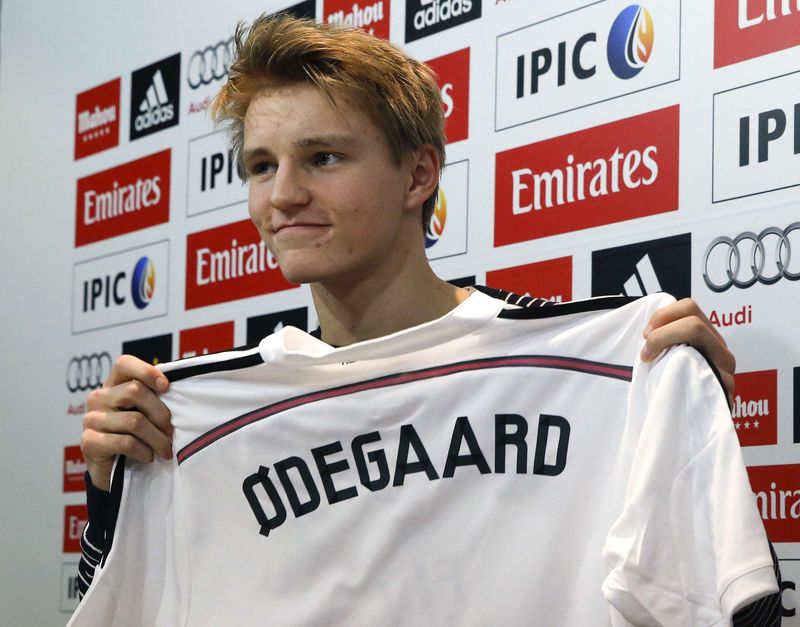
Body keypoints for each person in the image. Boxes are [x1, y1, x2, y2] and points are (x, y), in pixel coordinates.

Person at [76, 14, 780, 625]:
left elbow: (735, 602)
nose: (283, 195)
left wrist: (677, 398)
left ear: (418, 177)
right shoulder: (194, 420)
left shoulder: (604, 362)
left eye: (323, 157)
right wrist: (111, 497)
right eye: (261, 166)